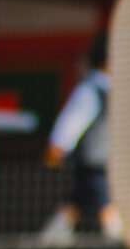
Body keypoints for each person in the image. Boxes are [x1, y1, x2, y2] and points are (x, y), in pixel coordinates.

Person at [43, 32, 115, 236]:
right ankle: (118, 242)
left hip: (104, 161)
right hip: (94, 161)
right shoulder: (90, 91)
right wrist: (58, 147)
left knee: (77, 203)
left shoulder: (109, 90)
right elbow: (71, 123)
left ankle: (51, 238)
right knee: (106, 203)